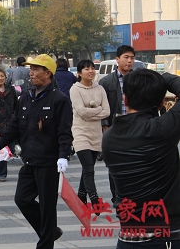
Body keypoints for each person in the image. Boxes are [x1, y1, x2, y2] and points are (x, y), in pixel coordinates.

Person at [0, 54, 73, 248]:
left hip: (49, 161)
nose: (31, 73)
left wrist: (63, 155)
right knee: (22, 199)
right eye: (31, 68)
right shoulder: (26, 97)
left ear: (48, 73)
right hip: (29, 159)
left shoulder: (59, 99)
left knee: (47, 207)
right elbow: (15, 125)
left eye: (36, 69)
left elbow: (64, 131)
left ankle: (45, 243)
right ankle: (50, 231)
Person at [102, 69, 180, 248]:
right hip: (166, 236)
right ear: (161, 103)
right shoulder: (162, 129)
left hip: (128, 237)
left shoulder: (109, 137)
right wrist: (165, 77)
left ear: (125, 99)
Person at [69, 59, 110, 208]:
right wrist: (97, 109)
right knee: (88, 168)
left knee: (89, 167)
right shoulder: (75, 89)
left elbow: (107, 111)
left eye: (93, 68)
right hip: (80, 132)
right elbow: (81, 112)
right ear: (79, 73)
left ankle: (81, 195)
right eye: (87, 69)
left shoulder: (100, 89)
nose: (91, 71)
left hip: (95, 133)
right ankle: (94, 199)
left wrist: (93, 111)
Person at [99, 44, 135, 207]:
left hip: (135, 127)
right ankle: (116, 197)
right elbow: (102, 106)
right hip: (115, 127)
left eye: (132, 58)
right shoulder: (107, 82)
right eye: (126, 57)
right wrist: (105, 127)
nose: (129, 61)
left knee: (135, 164)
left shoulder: (138, 79)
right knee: (115, 165)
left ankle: (132, 197)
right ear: (117, 59)